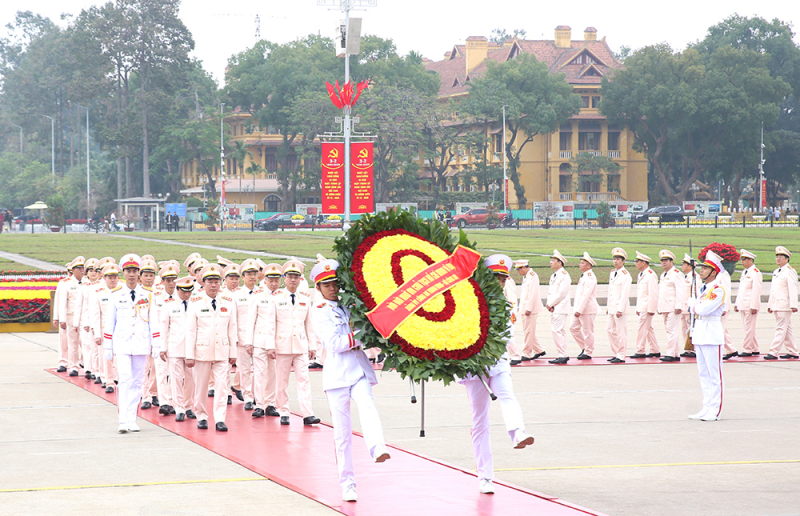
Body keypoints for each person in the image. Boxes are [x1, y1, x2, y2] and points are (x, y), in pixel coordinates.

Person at [310, 258, 390, 502]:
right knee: (342, 436)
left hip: (358, 370)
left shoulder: (349, 304)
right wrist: (361, 334)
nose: (332, 288)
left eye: (335, 283)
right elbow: (334, 344)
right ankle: (348, 484)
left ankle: (378, 448)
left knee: (367, 405)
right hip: (336, 377)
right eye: (327, 285)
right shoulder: (319, 312)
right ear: (319, 288)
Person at [462, 254, 535, 495]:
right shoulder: (469, 302)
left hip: (498, 362)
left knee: (507, 395)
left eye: (504, 279)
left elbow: (506, 336)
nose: (500, 283)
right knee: (479, 422)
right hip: (475, 369)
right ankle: (485, 477)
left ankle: (518, 433)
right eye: (496, 278)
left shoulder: (505, 306)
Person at [103, 254, 160, 433]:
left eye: (135, 271)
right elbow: (109, 321)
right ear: (123, 273)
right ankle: (122, 420)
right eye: (128, 271)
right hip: (122, 343)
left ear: (139, 273)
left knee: (137, 382)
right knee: (125, 379)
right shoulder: (116, 295)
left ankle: (132, 418)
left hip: (141, 343)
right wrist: (107, 345)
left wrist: (156, 343)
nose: (132, 274)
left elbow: (154, 321)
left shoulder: (148, 295)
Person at [265, 259, 320, 426]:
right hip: (282, 346)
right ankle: (284, 411)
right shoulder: (276, 298)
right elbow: (270, 324)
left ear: (300, 279)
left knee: (304, 380)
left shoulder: (304, 298)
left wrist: (312, 346)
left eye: (296, 277)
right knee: (282, 381)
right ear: (285, 278)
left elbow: (309, 324)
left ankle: (308, 414)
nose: (293, 280)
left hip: (301, 346)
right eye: (290, 276)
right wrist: (270, 346)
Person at [185, 264, 238, 431]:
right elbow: (191, 331)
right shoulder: (195, 302)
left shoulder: (228, 302)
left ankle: (220, 418)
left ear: (221, 283)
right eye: (210, 281)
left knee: (222, 387)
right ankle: (201, 415)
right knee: (200, 386)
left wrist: (233, 352)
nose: (213, 285)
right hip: (202, 351)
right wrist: (189, 354)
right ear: (204, 283)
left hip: (222, 351)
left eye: (216, 281)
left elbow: (232, 328)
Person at [686, 250, 726, 421]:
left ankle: (715, 409)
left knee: (714, 375)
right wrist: (694, 305)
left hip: (711, 333)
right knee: (703, 373)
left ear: (714, 272)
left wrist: (693, 305)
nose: (701, 271)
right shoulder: (704, 289)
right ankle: (706, 406)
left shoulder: (718, 290)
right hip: (701, 332)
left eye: (705, 268)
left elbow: (702, 309)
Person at [246, 261, 282, 418]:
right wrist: (249, 341)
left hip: (276, 342)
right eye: (271, 280)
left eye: (276, 280)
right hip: (260, 341)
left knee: (273, 374)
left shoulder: (282, 296)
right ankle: (259, 404)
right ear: (265, 280)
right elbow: (250, 320)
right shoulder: (258, 296)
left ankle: (270, 404)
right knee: (260, 373)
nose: (273, 283)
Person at [160, 276, 196, 421]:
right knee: (175, 379)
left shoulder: (195, 304)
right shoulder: (169, 305)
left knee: (191, 379)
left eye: (189, 291)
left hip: (192, 349)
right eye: (184, 291)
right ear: (177, 289)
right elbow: (163, 328)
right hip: (175, 347)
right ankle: (178, 408)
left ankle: (188, 406)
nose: (187, 294)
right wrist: (162, 347)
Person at [90, 260, 119, 392]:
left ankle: (117, 378)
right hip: (105, 330)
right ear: (105, 278)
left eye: (114, 277)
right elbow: (96, 315)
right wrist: (97, 334)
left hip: (120, 330)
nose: (112, 280)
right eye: (110, 277)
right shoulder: (99, 292)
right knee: (106, 357)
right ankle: (109, 381)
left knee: (120, 356)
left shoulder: (122, 291)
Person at [765, 246, 799, 360]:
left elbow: (793, 288)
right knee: (787, 329)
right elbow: (773, 290)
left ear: (787, 259)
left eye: (781, 257)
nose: (778, 259)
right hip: (777, 304)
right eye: (777, 257)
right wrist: (770, 304)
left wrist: (794, 305)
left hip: (784, 305)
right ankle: (793, 351)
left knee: (780, 329)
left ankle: (773, 351)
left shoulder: (789, 271)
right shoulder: (776, 271)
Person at [657, 250, 686, 362]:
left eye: (666, 261)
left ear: (671, 261)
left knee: (671, 330)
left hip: (674, 307)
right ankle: (675, 353)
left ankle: (670, 353)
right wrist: (659, 307)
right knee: (670, 330)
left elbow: (681, 291)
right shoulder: (663, 275)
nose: (664, 263)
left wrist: (679, 306)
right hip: (665, 307)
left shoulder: (677, 274)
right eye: (662, 261)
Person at [59, 257, 86, 377]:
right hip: (71, 317)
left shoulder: (87, 283)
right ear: (73, 270)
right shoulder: (67, 284)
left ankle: (87, 365)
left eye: (82, 268)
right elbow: (63, 303)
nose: (82, 270)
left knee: (86, 344)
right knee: (73, 343)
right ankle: (74, 366)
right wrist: (62, 319)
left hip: (85, 318)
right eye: (79, 268)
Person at [513, 260, 545, 360]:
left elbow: (533, 294)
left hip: (530, 309)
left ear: (523, 267)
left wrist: (528, 308)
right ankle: (539, 350)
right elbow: (524, 294)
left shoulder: (532, 276)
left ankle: (526, 353)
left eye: (519, 270)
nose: (518, 272)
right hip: (525, 308)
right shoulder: (526, 276)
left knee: (528, 332)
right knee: (529, 331)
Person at [631, 252, 659, 359]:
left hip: (647, 307)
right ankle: (655, 350)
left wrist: (651, 308)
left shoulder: (650, 274)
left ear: (644, 263)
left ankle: (640, 350)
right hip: (643, 306)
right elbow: (641, 294)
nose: (636, 264)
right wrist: (638, 307)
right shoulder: (642, 274)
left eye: (638, 261)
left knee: (642, 329)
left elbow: (653, 293)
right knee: (648, 329)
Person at [571, 252, 599, 360]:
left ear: (588, 265)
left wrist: (580, 309)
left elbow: (586, 295)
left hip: (586, 309)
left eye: (582, 263)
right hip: (579, 309)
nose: (580, 264)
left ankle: (588, 352)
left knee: (588, 331)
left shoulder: (590, 277)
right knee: (573, 328)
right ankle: (585, 347)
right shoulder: (584, 276)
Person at [734, 250, 762, 356]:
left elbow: (756, 291)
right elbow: (741, 290)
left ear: (751, 260)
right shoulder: (745, 272)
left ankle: (747, 349)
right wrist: (737, 303)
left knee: (749, 328)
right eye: (742, 259)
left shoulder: (755, 273)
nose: (742, 262)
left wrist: (754, 305)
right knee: (748, 328)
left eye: (745, 259)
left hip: (750, 305)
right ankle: (754, 348)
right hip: (743, 304)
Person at [546, 250, 572, 364]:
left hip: (561, 307)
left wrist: (551, 304)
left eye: (553, 261)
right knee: (559, 331)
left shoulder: (564, 276)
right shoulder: (554, 275)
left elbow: (561, 293)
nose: (551, 262)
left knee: (556, 330)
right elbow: (551, 292)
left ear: (560, 263)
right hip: (556, 307)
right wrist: (550, 304)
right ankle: (562, 354)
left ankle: (562, 354)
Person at [607, 248, 632, 363]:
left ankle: (621, 355)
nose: (615, 261)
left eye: (618, 259)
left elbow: (624, 293)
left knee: (621, 332)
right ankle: (615, 353)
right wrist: (608, 307)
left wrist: (620, 309)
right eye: (614, 259)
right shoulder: (612, 273)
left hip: (619, 309)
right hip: (611, 307)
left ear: (623, 261)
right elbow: (610, 292)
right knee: (610, 330)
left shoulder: (625, 275)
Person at [680, 254, 700, 358]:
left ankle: (695, 349)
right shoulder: (685, 277)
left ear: (690, 266)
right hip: (683, 308)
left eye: (684, 264)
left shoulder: (695, 277)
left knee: (692, 328)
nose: (682, 266)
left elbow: (697, 293)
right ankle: (688, 348)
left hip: (690, 308)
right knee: (685, 329)